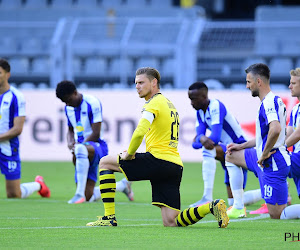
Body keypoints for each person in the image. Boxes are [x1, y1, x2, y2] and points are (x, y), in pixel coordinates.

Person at [86, 67, 229, 228]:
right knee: (171, 221)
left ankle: (109, 217)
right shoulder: (169, 104)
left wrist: (130, 154)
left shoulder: (153, 103)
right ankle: (211, 207)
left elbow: (140, 131)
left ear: (154, 82)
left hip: (157, 160)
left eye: (141, 82)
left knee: (105, 162)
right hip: (174, 166)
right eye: (136, 83)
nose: (137, 86)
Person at [226, 63, 300, 219]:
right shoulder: (273, 100)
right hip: (265, 159)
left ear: (258, 81)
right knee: (231, 155)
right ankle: (238, 206)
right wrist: (242, 145)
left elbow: (276, 129)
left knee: (278, 215)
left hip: (273, 162)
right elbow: (267, 135)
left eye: (248, 82)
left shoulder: (268, 102)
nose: (247, 86)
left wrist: (265, 153)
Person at [188, 82, 262, 216]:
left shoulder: (216, 106)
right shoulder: (200, 112)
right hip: (225, 150)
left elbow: (214, 138)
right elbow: (196, 143)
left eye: (194, 99)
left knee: (209, 150)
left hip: (238, 149)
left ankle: (207, 197)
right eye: (190, 99)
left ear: (204, 96)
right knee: (233, 201)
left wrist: (201, 138)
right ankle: (266, 192)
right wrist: (202, 139)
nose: (191, 103)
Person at [56, 80, 134, 204]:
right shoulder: (68, 108)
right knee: (89, 197)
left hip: (97, 146)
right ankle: (123, 185)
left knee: (80, 149)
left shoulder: (92, 103)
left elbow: (96, 133)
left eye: (69, 100)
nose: (68, 104)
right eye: (65, 102)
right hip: (82, 152)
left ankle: (78, 194)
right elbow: (70, 130)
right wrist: (70, 142)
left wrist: (80, 146)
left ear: (75, 93)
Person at [0, 58, 50, 199]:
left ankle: (39, 185)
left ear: (7, 75)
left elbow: (17, 129)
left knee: (14, 194)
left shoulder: (16, 97)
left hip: (7, 147)